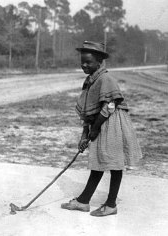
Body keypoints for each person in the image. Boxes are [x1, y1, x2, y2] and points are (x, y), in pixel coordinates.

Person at [61, 41, 142, 217]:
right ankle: (84, 201)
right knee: (98, 161)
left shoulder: (106, 79)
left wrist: (95, 129)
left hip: (112, 123)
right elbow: (87, 112)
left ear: (99, 62)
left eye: (88, 62)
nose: (84, 65)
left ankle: (111, 204)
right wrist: (84, 135)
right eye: (82, 61)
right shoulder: (90, 81)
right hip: (99, 122)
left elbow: (111, 105)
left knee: (114, 163)